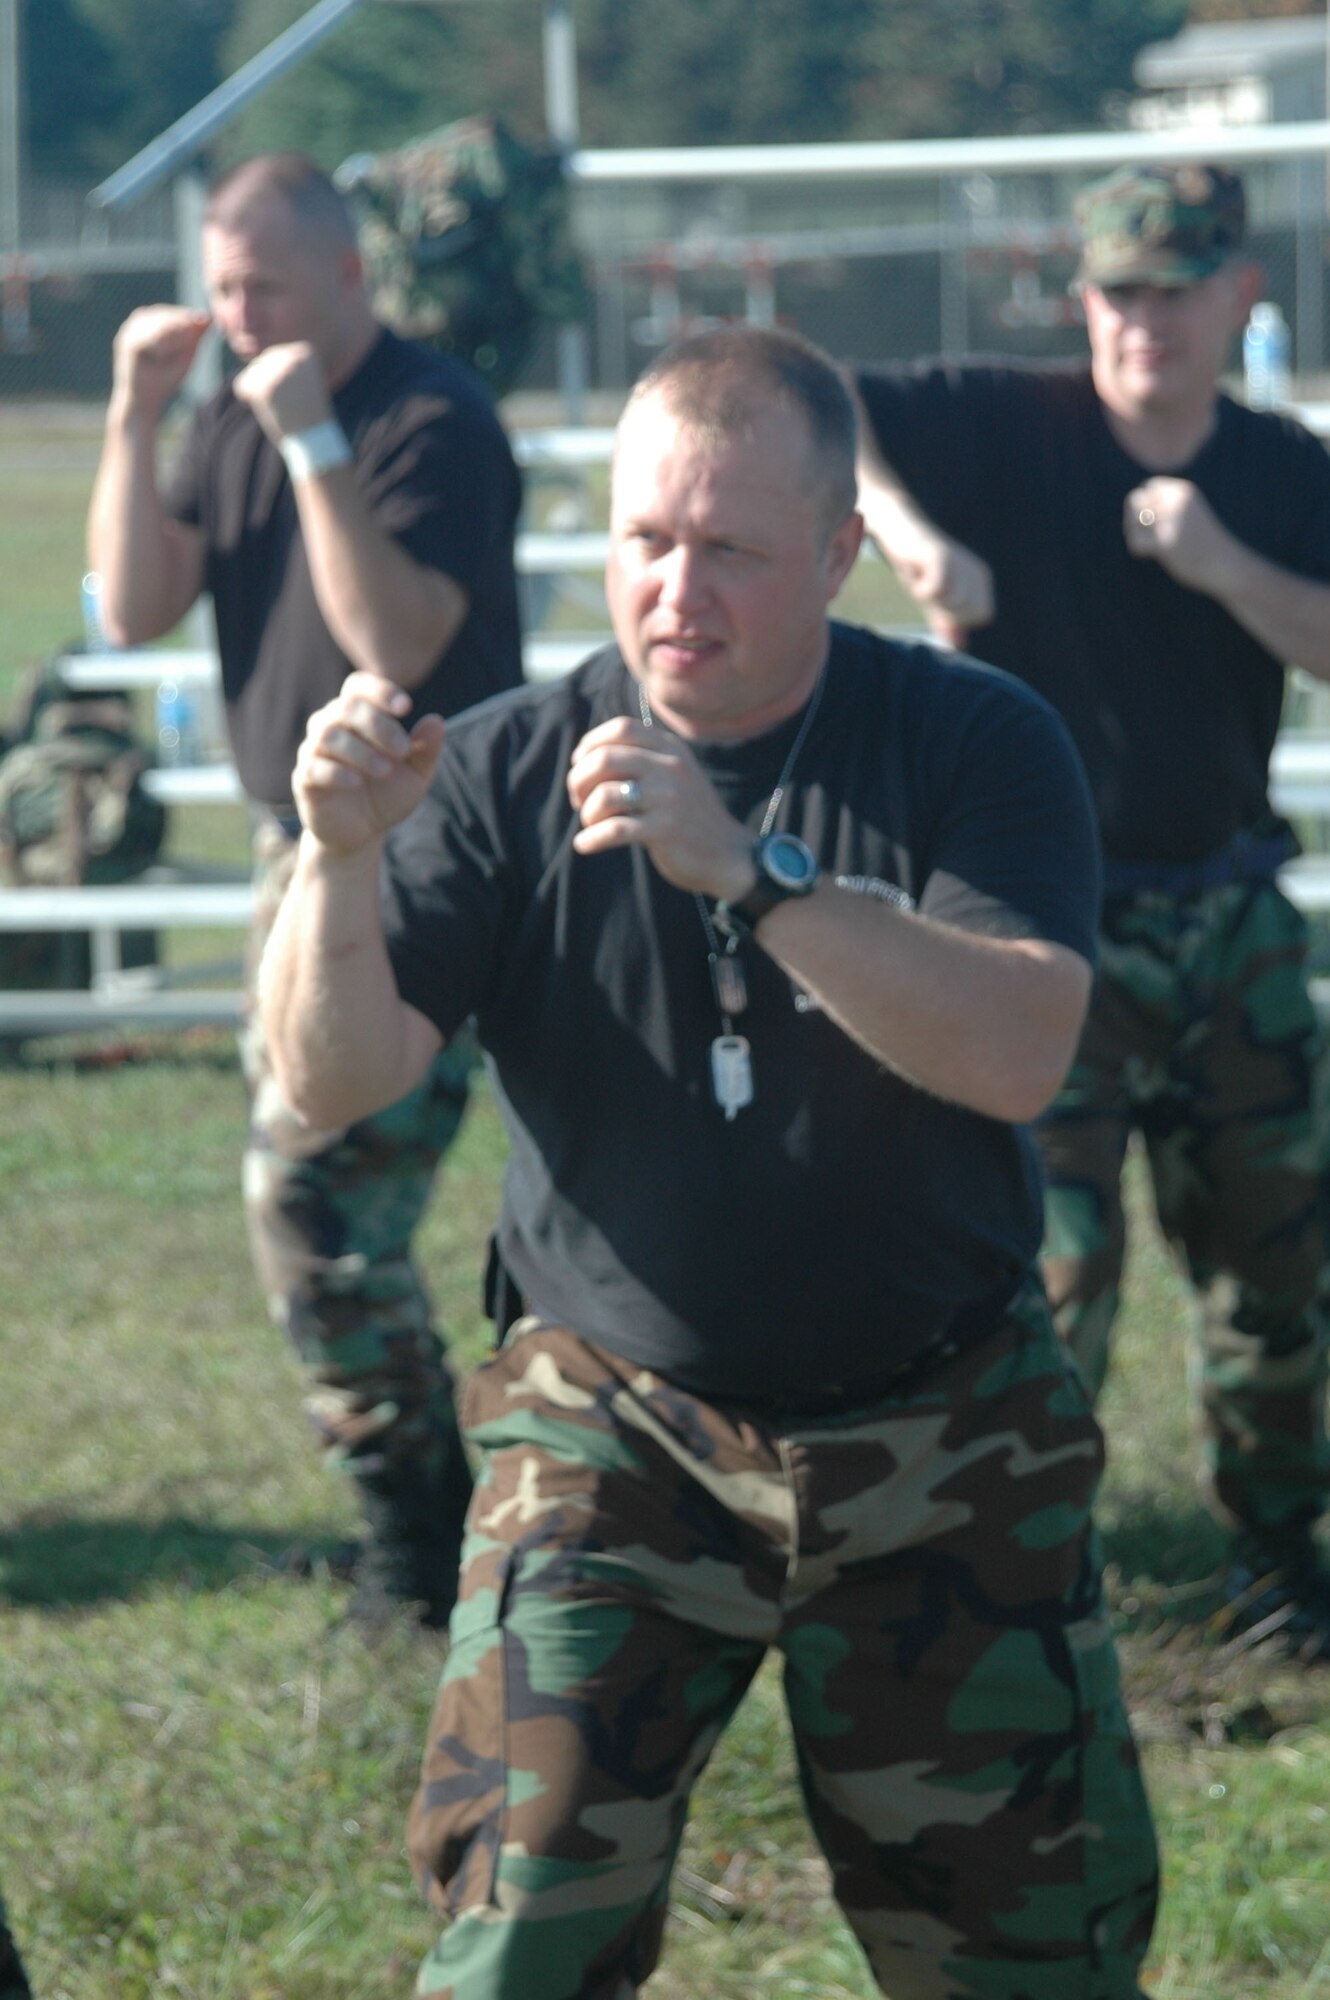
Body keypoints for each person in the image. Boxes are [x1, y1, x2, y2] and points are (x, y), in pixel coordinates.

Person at [261, 325, 1159, 1999]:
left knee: (1033, 1957)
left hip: (940, 1419)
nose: (677, 590)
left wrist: (754, 878)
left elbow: (1021, 1045)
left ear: (838, 554)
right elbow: (332, 1080)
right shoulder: (508, 765)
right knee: (518, 1932)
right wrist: (334, 864)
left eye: (732, 550)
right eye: (644, 542)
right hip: (616, 1422)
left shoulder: (972, 738)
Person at [854, 162, 1330, 1652]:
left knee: (1271, 1268)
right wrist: (904, 536)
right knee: (1045, 1273)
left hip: (1227, 916)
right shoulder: (1008, 420)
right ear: (1082, 301)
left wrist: (1218, 566)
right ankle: (1024, 1579)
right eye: (1118, 292)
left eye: (1174, 289)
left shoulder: (1277, 468)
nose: (1144, 321)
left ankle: (1275, 1557)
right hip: (1041, 924)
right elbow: (808, 397)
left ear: (1235, 295)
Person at [88, 153, 524, 1627]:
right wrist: (137, 416)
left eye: (262, 282)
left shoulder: (427, 417)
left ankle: (418, 1533)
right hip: (305, 848)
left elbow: (393, 637)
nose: (235, 310)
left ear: (349, 274)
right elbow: (136, 605)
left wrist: (314, 443)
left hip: (433, 845)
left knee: (312, 1191)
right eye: (220, 284)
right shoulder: (223, 411)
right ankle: (424, 1516)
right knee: (321, 1197)